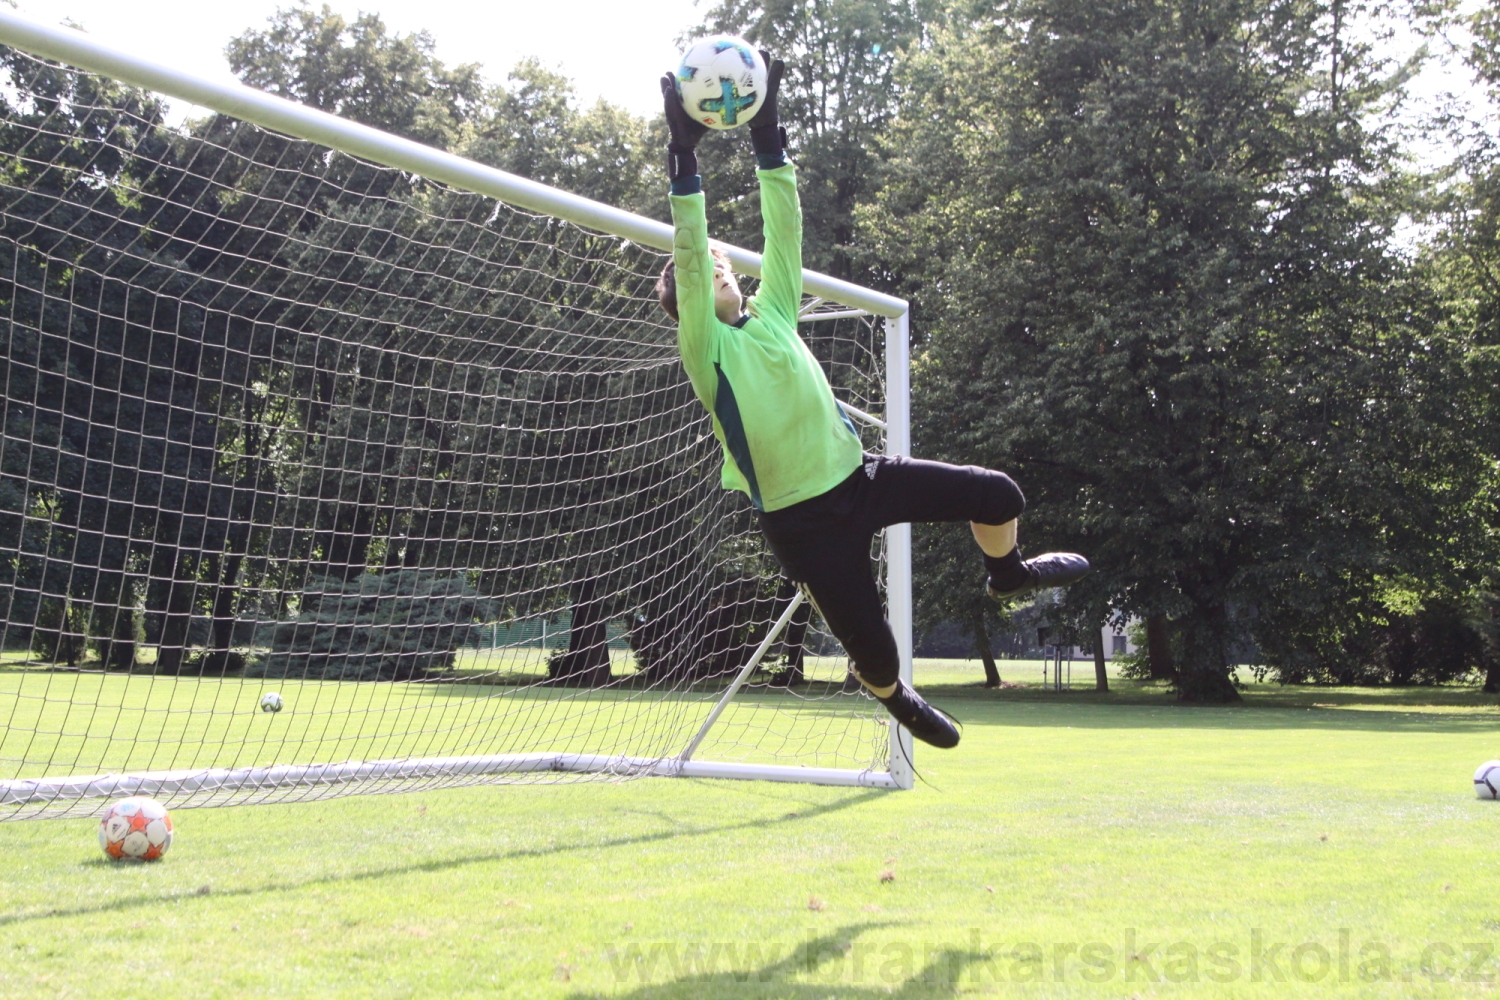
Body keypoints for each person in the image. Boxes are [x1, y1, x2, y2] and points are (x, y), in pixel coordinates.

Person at [656, 53, 1089, 748]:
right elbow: (686, 245)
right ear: (691, 301)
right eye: (706, 269)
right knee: (880, 658)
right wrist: (683, 158)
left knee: (999, 494)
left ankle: (1007, 575)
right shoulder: (706, 352)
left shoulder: (774, 315)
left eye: (722, 260)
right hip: (804, 527)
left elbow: (784, 230)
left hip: (862, 479)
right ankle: (889, 691)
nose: (719, 265)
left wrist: (768, 136)